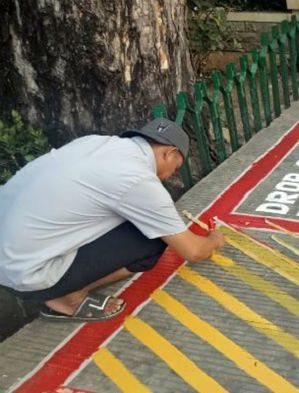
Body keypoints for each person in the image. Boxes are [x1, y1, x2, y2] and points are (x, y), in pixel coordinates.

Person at [0, 119, 225, 322]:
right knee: (153, 240)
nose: (168, 177)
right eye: (175, 168)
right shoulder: (137, 178)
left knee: (138, 221)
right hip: (25, 274)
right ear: (169, 152)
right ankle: (68, 298)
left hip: (9, 256)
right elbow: (193, 251)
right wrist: (215, 239)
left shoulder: (94, 143)